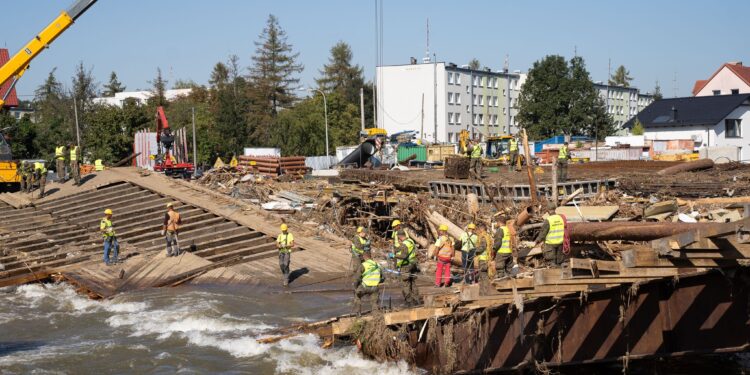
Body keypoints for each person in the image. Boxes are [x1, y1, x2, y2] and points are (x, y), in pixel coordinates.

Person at [391, 230, 419, 306]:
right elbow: (415, 252)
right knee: (412, 282)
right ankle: (416, 300)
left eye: (398, 237)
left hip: (406, 265)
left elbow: (404, 256)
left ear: (400, 236)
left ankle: (409, 301)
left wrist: (394, 256)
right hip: (413, 264)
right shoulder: (411, 241)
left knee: (405, 284)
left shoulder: (404, 244)